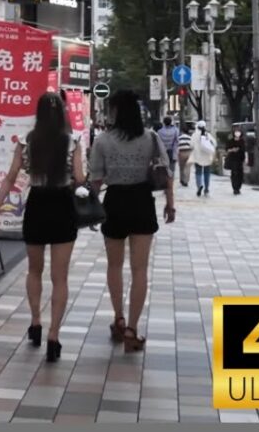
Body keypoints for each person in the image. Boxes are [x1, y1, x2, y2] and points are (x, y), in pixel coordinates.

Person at [0, 92, 85, 363]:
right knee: (60, 276)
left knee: (34, 269)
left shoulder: (27, 142)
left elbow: (10, 178)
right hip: (63, 205)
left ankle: (35, 322)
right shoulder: (73, 142)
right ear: (63, 112)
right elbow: (79, 178)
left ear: (39, 114)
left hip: (38, 205)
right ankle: (54, 336)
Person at [89, 90, 176, 353]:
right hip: (141, 201)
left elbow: (95, 179)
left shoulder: (103, 140)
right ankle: (132, 329)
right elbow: (166, 172)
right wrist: (170, 204)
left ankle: (118, 318)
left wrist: (92, 209)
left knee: (114, 265)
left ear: (115, 112)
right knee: (140, 269)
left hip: (114, 201)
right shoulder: (149, 137)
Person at [191, 120, 216, 197]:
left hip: (197, 157)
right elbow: (214, 143)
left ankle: (199, 186)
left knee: (198, 172)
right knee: (207, 173)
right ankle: (206, 189)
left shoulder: (194, 135)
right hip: (207, 157)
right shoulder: (207, 135)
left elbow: (191, 145)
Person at [225, 128, 246, 195]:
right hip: (233, 159)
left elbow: (244, 149)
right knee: (234, 173)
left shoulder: (242, 141)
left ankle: (239, 187)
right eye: (236, 132)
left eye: (238, 132)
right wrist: (232, 150)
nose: (237, 133)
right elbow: (227, 149)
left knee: (240, 174)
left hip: (240, 159)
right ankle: (235, 188)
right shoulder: (230, 141)